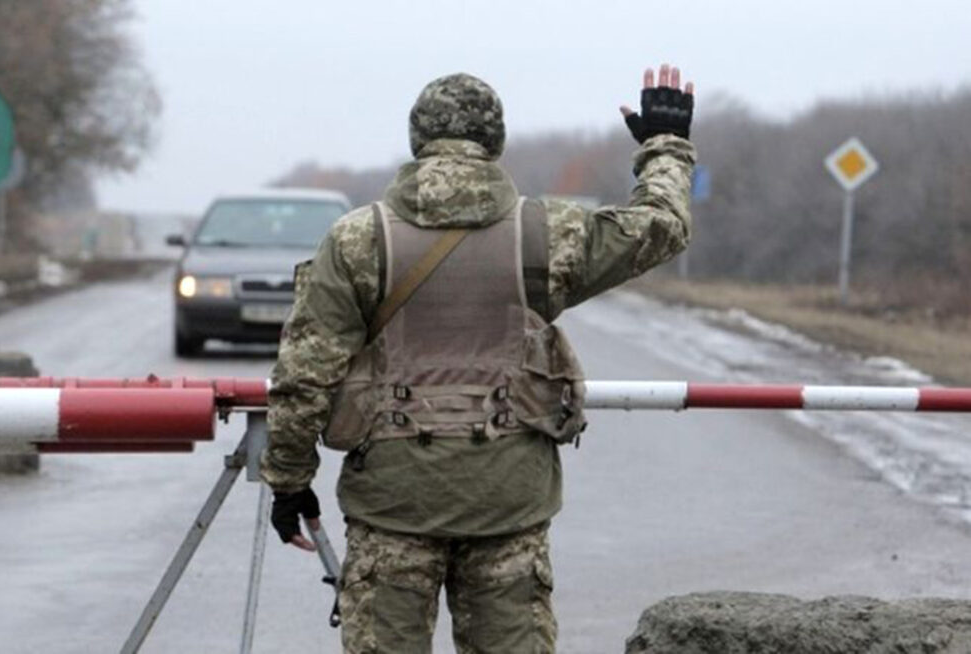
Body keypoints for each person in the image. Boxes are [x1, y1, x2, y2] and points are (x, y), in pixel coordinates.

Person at [262, 64, 696, 653]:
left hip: (392, 502)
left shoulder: (356, 240)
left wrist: (290, 481)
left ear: (417, 140)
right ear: (496, 143)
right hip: (507, 503)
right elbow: (661, 227)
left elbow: (303, 375)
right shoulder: (546, 234)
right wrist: (663, 147)